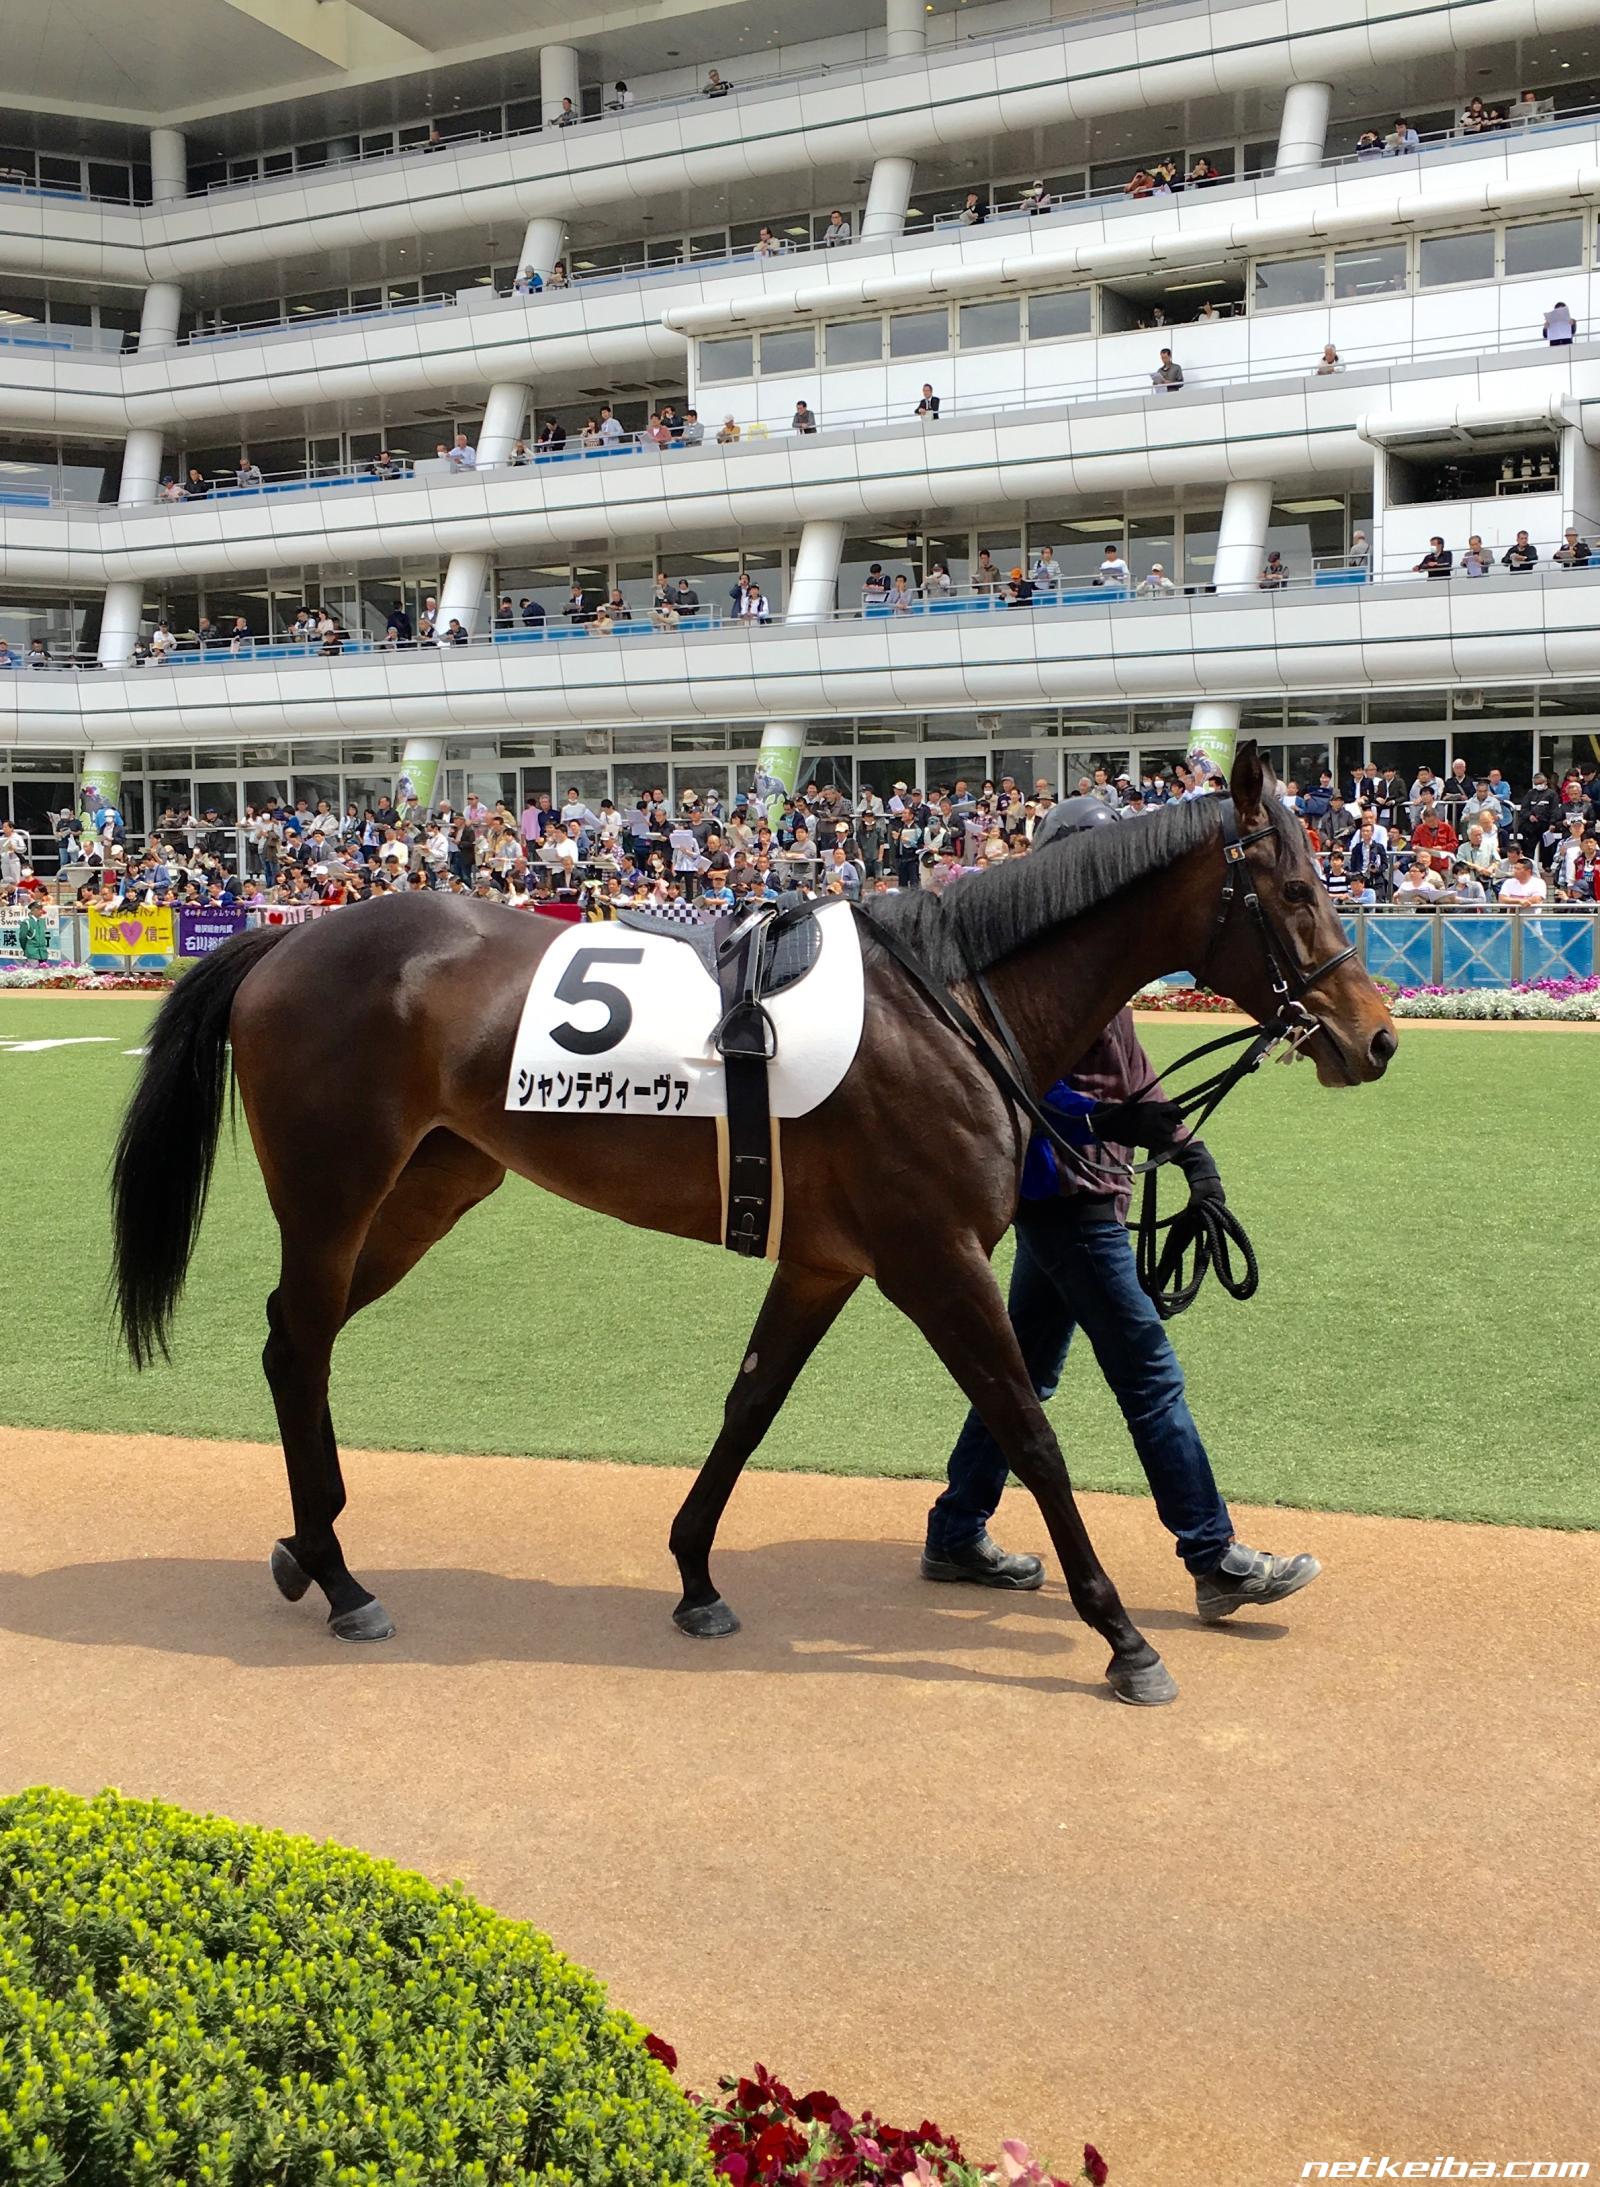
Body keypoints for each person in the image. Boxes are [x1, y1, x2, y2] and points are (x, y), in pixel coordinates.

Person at [919, 800, 1319, 1617]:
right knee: (1149, 1376)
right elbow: (1011, 1087)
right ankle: (1213, 1555)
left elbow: (1133, 1078)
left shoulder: (1097, 965)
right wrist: (1103, 1123)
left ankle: (956, 1528)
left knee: (1025, 1372)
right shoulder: (1037, 974)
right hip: (1068, 1196)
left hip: (1083, 1191)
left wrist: (1192, 1155)